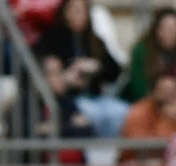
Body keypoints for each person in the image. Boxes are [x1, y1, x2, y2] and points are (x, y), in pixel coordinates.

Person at [31, 0, 126, 138]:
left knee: (122, 111)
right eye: (73, 9)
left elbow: (115, 71)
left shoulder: (95, 40)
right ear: (64, 12)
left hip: (96, 97)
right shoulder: (51, 39)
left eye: (82, 10)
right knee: (90, 114)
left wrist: (96, 66)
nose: (78, 14)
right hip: (69, 99)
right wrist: (67, 77)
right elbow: (42, 68)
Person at [120, 7, 176, 105]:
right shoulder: (141, 50)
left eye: (174, 30)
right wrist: (159, 99)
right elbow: (138, 88)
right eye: (164, 29)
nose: (168, 34)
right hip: (143, 103)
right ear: (156, 30)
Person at [120, 71, 176, 164]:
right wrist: (167, 120)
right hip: (138, 163)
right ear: (153, 91)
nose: (168, 95)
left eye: (173, 90)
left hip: (173, 163)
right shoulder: (139, 111)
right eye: (164, 90)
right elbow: (141, 145)